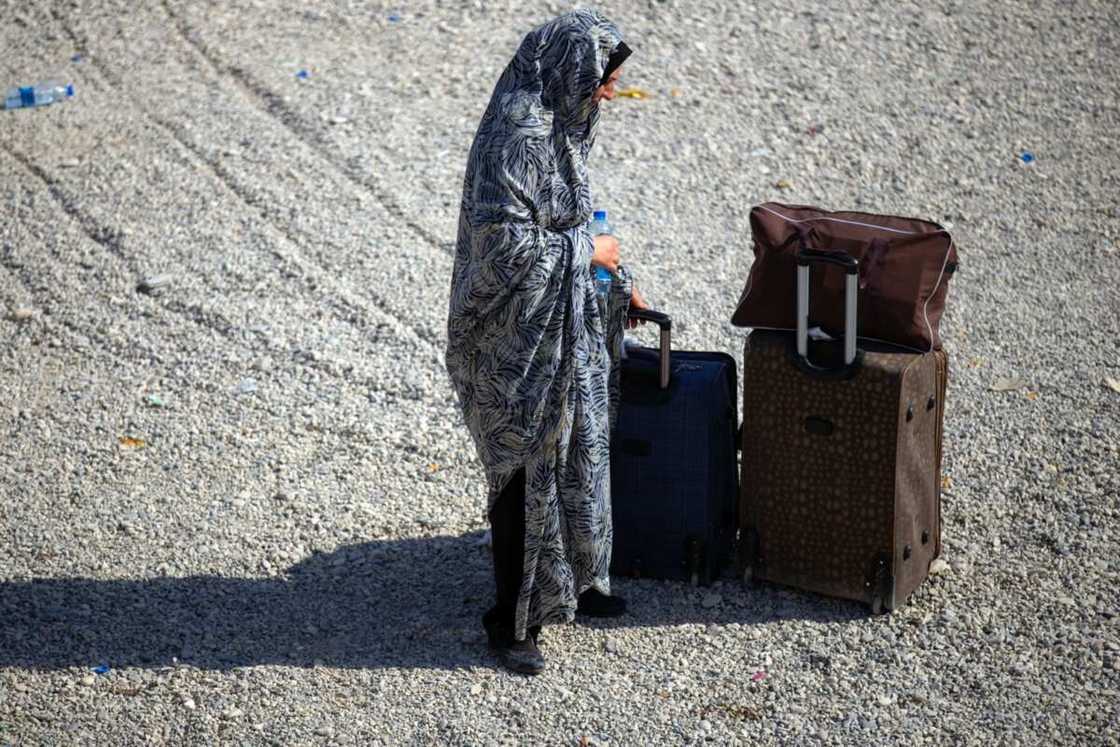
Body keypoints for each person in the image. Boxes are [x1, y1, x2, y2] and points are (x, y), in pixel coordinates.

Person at [445, 10, 647, 675]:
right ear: (571, 72)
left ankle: (575, 585)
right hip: (511, 338)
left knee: (575, 453)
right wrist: (593, 249)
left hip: (558, 323)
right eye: (603, 80)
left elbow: (566, 218)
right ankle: (511, 620)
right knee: (526, 465)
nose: (609, 94)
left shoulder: (561, 125)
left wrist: (618, 279)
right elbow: (504, 248)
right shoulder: (517, 137)